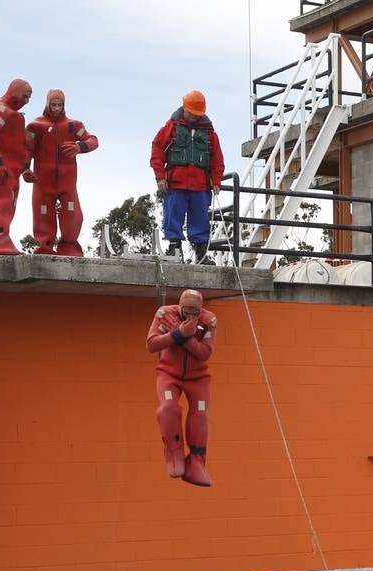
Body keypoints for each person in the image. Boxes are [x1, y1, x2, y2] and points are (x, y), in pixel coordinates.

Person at [146, 289, 218, 486]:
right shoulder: (165, 314)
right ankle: (174, 452)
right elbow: (152, 344)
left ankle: (197, 461)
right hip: (169, 373)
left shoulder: (209, 320)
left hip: (198, 378)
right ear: (180, 307)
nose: (191, 316)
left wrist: (184, 337)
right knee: (168, 408)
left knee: (201, 414)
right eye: (187, 310)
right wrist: (177, 334)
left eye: (195, 312)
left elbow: (204, 353)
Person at [151, 90, 224, 264]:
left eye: (196, 114)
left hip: (201, 185)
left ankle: (201, 253)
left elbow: (217, 158)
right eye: (191, 112)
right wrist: (160, 177)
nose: (193, 116)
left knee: (200, 217)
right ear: (184, 107)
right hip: (175, 184)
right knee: (172, 215)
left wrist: (216, 180)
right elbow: (157, 149)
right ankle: (174, 249)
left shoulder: (209, 133)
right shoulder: (171, 127)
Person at [24, 89, 98, 257]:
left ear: (64, 105)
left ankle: (69, 246)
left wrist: (79, 147)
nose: (57, 108)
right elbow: (26, 148)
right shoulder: (36, 126)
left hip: (67, 182)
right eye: (54, 104)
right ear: (47, 104)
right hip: (42, 181)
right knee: (43, 214)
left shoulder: (73, 126)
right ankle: (44, 247)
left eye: (60, 105)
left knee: (73, 215)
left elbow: (93, 140)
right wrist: (26, 168)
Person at [0, 78, 35, 255]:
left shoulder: (12, 113)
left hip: (13, 169)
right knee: (3, 203)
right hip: (1, 167)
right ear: (16, 92)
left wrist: (25, 167)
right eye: (25, 96)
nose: (26, 102)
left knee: (10, 204)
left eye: (29, 98)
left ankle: (3, 238)